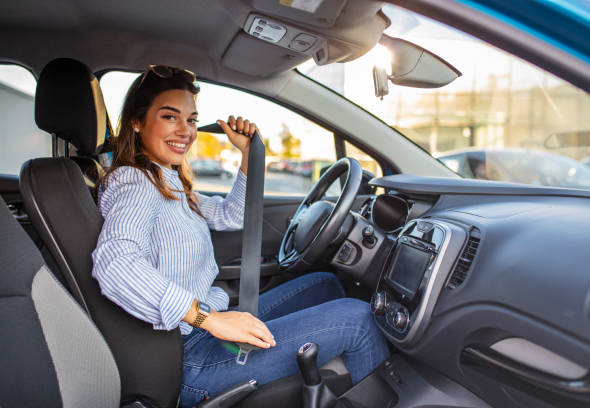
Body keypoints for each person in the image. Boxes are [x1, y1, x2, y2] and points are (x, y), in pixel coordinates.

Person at [92, 65, 389, 408]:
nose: (186, 131)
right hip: (188, 356)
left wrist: (248, 154)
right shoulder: (134, 183)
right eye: (170, 117)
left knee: (323, 283)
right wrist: (210, 320)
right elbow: (115, 264)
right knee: (361, 320)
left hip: (201, 325)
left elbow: (230, 215)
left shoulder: (166, 180)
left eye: (191, 120)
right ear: (137, 122)